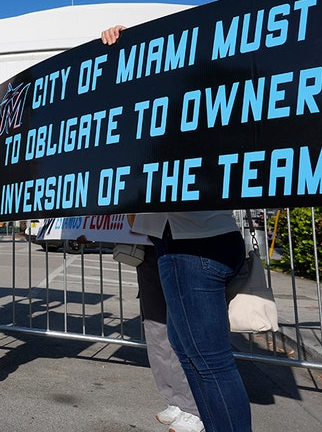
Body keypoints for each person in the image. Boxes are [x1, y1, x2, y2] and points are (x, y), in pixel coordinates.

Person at [103, 25, 251, 431]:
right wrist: (122, 52)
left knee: (208, 361)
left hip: (195, 245)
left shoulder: (196, 118)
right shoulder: (171, 119)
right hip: (177, 242)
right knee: (192, 354)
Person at [136, 246, 204, 432]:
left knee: (187, 333)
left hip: (184, 245)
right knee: (156, 331)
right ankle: (176, 400)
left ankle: (197, 409)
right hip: (148, 249)